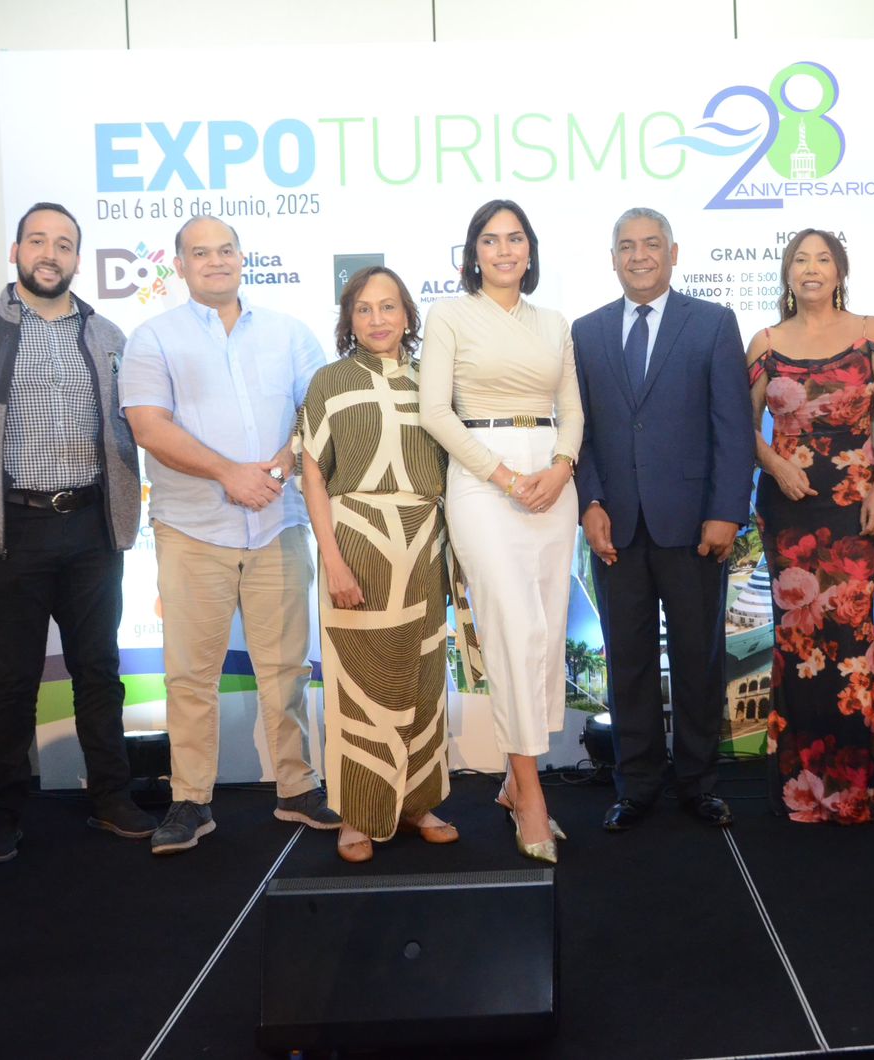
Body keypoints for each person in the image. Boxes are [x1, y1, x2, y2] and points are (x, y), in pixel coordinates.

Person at [0, 201, 156, 864]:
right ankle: (2, 813)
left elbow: (134, 425)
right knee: (12, 680)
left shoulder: (108, 335)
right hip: (9, 532)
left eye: (64, 244)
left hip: (92, 529)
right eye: (38, 241)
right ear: (16, 251)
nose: (51, 254)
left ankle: (111, 798)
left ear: (77, 258)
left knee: (99, 671)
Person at [121, 215, 339, 856]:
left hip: (278, 524)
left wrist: (278, 467)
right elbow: (148, 427)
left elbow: (317, 415)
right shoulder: (153, 338)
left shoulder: (289, 333)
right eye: (200, 252)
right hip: (193, 529)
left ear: (243, 258)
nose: (215, 261)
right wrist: (229, 473)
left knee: (287, 669)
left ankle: (296, 787)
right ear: (180, 266)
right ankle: (191, 799)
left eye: (225, 250)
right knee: (191, 675)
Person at [572, 207, 755, 833]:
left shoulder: (713, 323)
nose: (640, 255)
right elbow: (581, 432)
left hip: (694, 526)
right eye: (627, 246)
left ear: (673, 254)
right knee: (627, 663)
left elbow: (734, 428)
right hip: (615, 529)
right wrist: (590, 503)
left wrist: (726, 512)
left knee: (699, 659)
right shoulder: (586, 332)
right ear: (613, 258)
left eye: (652, 244)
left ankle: (699, 783)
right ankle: (638, 785)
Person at [418, 200, 584, 864]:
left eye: (516, 238)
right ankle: (531, 794)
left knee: (544, 629)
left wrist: (562, 466)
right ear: (473, 254)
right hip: (483, 479)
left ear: (530, 250)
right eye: (491, 240)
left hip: (552, 479)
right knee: (513, 627)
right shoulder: (449, 316)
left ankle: (517, 783)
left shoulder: (554, 322)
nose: (505, 249)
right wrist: (506, 477)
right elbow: (435, 411)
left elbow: (571, 407)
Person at [298, 266, 477, 863]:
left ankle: (417, 805)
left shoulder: (432, 380)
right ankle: (357, 815)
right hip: (356, 545)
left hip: (425, 545)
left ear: (408, 315)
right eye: (364, 309)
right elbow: (313, 476)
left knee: (423, 680)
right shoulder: (329, 381)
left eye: (389, 306)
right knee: (360, 688)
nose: (377, 319)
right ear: (349, 320)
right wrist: (333, 561)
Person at [748, 228, 874, 824]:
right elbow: (740, 423)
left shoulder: (871, 332)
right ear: (787, 273)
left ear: (840, 272)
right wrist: (774, 464)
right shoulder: (766, 342)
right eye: (800, 259)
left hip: (854, 505)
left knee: (849, 639)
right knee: (797, 640)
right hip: (787, 509)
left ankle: (855, 790)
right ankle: (802, 790)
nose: (811, 268)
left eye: (823, 259)